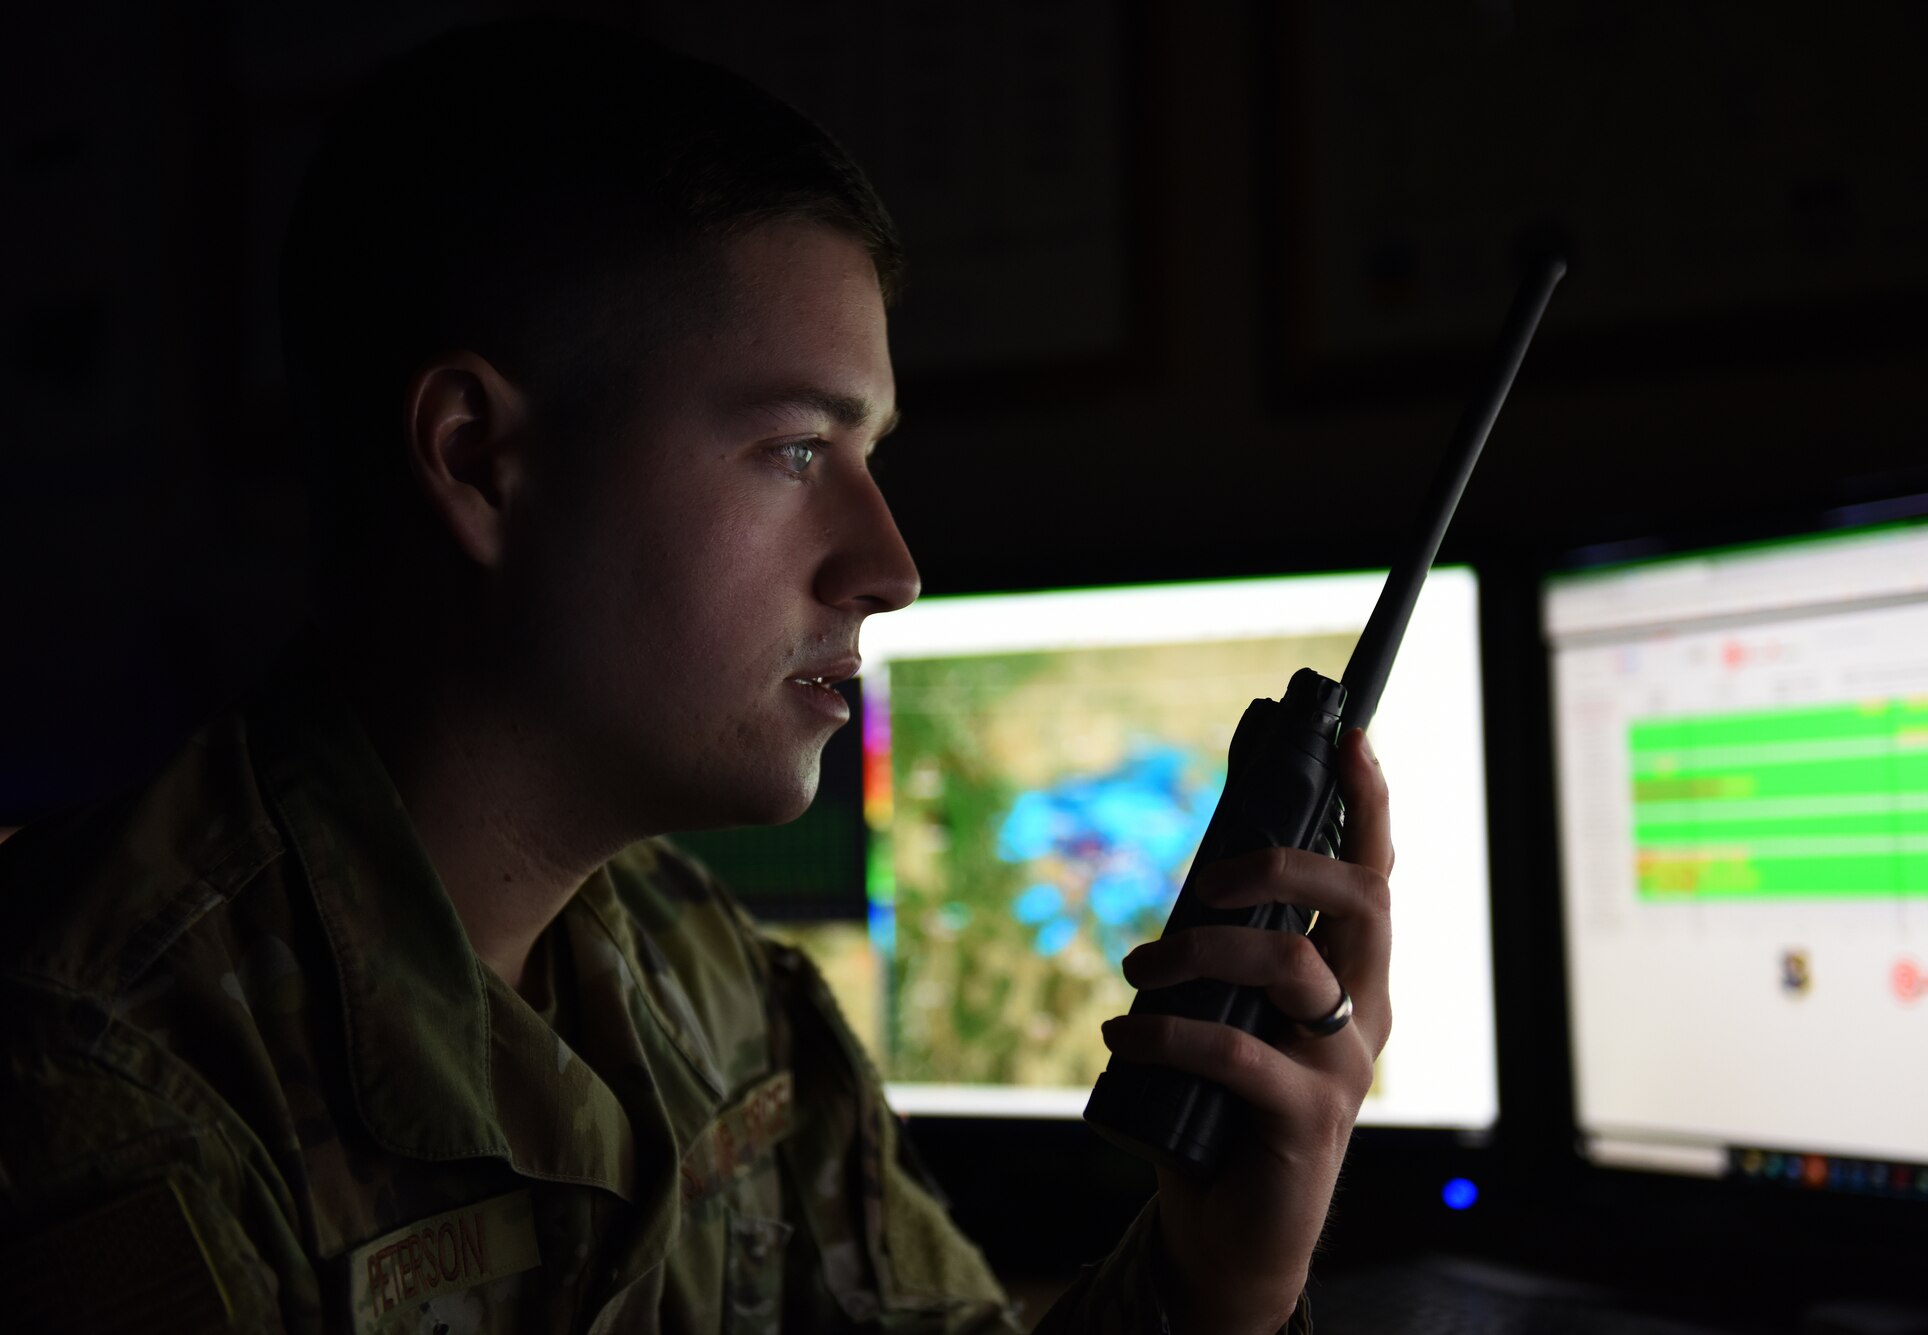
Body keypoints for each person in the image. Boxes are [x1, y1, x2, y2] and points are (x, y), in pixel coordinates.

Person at [0, 18, 1392, 1333]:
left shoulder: (705, 977)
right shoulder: (98, 1082)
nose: (891, 564)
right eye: (796, 451)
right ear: (483, 460)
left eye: (871, 458)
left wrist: (1222, 1273)